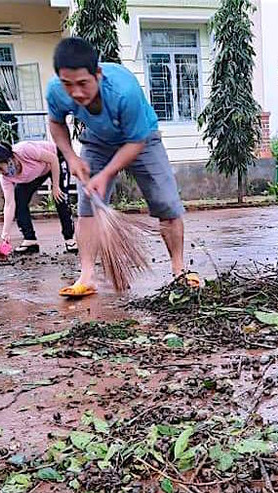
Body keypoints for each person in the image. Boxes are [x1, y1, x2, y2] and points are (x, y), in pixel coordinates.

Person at [45, 37, 197, 298]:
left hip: (141, 139)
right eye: (68, 85)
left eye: (83, 84)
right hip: (98, 140)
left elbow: (135, 142)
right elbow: (56, 123)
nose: (76, 93)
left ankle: (179, 270)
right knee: (87, 206)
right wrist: (71, 157)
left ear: (98, 74)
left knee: (167, 203)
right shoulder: (57, 90)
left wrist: (105, 174)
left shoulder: (124, 92)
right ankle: (87, 276)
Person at [0, 141, 76, 254]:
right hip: (37, 173)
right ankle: (30, 240)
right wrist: (5, 233)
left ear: (8, 159)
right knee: (19, 200)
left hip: (56, 160)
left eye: (0, 168)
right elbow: (9, 204)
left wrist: (56, 187)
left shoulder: (25, 150)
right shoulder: (6, 178)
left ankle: (70, 239)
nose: (1, 173)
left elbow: (53, 159)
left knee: (60, 198)